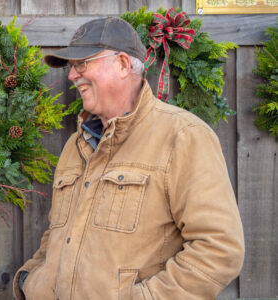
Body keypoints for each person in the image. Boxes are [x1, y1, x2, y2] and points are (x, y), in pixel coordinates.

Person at [13, 17, 244, 300]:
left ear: (123, 64)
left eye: (82, 64)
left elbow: (219, 249)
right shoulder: (76, 145)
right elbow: (58, 235)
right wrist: (31, 281)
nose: (72, 76)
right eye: (72, 67)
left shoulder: (183, 136)